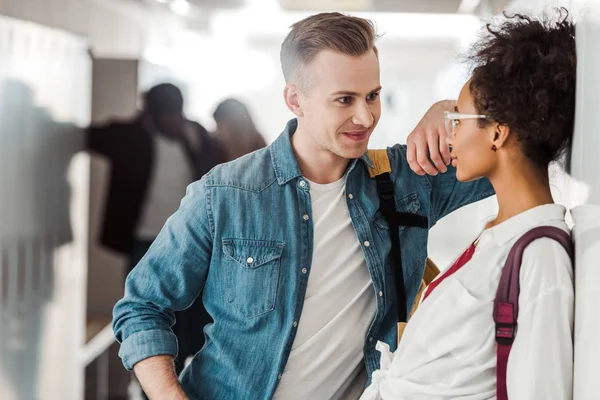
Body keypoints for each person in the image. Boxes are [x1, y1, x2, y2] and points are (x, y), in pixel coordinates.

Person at [112, 13, 494, 400]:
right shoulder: (224, 194)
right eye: (344, 99)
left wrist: (454, 114)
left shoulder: (408, 180)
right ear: (296, 100)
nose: (365, 116)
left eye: (372, 96)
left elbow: (530, 143)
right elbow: (141, 306)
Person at [361, 9, 576, 400]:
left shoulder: (541, 255)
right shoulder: (499, 235)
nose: (449, 137)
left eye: (457, 120)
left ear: (496, 133)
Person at [88, 83, 222, 376]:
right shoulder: (132, 136)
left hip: (192, 242)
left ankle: (184, 380)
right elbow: (90, 136)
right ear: (151, 114)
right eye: (165, 115)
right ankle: (153, 384)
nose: (172, 121)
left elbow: (217, 172)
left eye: (176, 113)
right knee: (146, 315)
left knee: (193, 320)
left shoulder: (195, 135)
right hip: (144, 243)